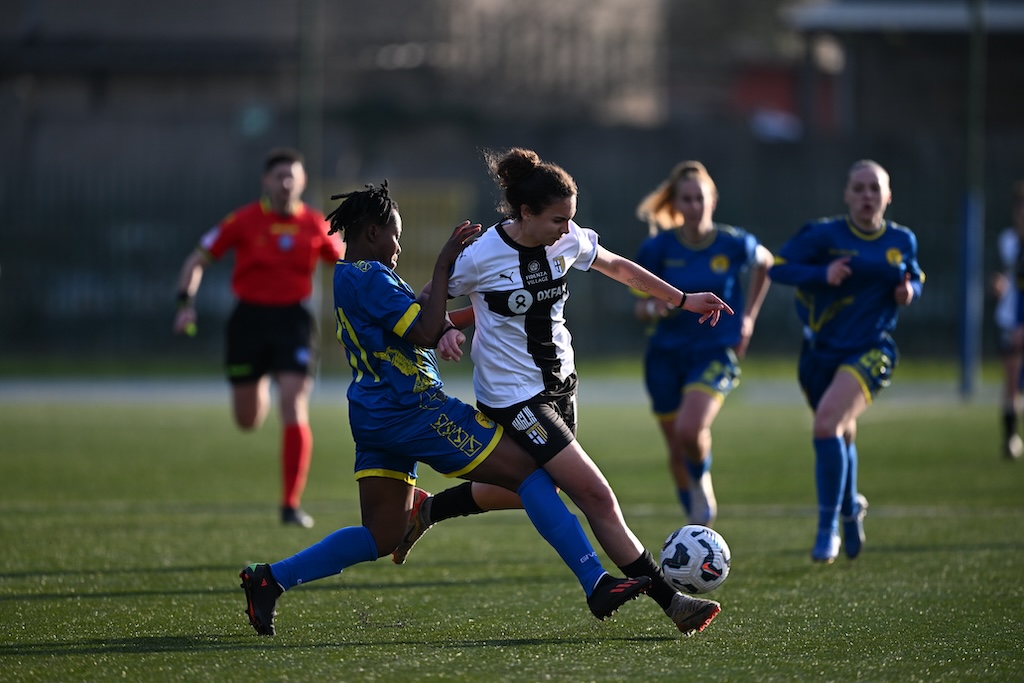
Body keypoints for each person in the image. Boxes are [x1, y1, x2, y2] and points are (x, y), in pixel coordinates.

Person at [238, 181, 653, 637]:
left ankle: (271, 578)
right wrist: (444, 263)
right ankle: (595, 582)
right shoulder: (370, 277)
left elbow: (423, 322)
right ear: (373, 232)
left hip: (374, 416)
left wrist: (479, 310)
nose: (399, 246)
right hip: (415, 410)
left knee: (382, 534)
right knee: (530, 473)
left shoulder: (352, 276)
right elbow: (424, 328)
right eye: (395, 236)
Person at [392, 148, 731, 636]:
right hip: (513, 397)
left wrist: (680, 299)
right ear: (525, 213)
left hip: (560, 387)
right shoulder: (483, 256)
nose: (567, 229)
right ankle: (670, 600)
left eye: (571, 218)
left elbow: (620, 269)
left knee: (534, 487)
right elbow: (427, 297)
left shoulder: (565, 240)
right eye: (557, 219)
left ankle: (425, 510)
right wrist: (443, 327)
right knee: (594, 493)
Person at [173, 147, 342, 528]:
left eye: (292, 176)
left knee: (294, 405)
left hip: (294, 322)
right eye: (279, 176)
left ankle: (290, 504)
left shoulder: (316, 225)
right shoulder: (244, 221)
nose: (285, 183)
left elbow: (347, 265)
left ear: (302, 182)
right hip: (248, 322)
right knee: (247, 420)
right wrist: (185, 304)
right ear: (266, 181)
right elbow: (196, 260)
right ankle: (264, 380)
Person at [769, 159, 925, 563]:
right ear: (846, 195)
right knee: (843, 433)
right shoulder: (823, 234)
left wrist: (910, 291)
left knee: (826, 425)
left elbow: (914, 277)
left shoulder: (902, 239)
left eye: (875, 188)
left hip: (872, 350)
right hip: (820, 353)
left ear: (889, 195)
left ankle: (827, 530)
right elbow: (779, 270)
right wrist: (823, 273)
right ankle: (851, 509)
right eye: (859, 188)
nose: (867, 196)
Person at [632, 160, 772, 525]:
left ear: (713, 200)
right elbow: (640, 308)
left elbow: (766, 263)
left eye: (700, 198)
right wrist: (655, 308)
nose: (694, 206)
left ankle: (702, 482)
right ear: (675, 205)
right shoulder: (658, 248)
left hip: (713, 351)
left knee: (690, 430)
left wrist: (749, 318)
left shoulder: (734, 243)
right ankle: (694, 519)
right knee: (676, 447)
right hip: (664, 357)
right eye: (686, 199)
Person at [993, 181, 1024, 460]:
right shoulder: (1008, 241)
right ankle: (1011, 438)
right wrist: (999, 283)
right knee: (1011, 381)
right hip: (1010, 320)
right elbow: (1001, 273)